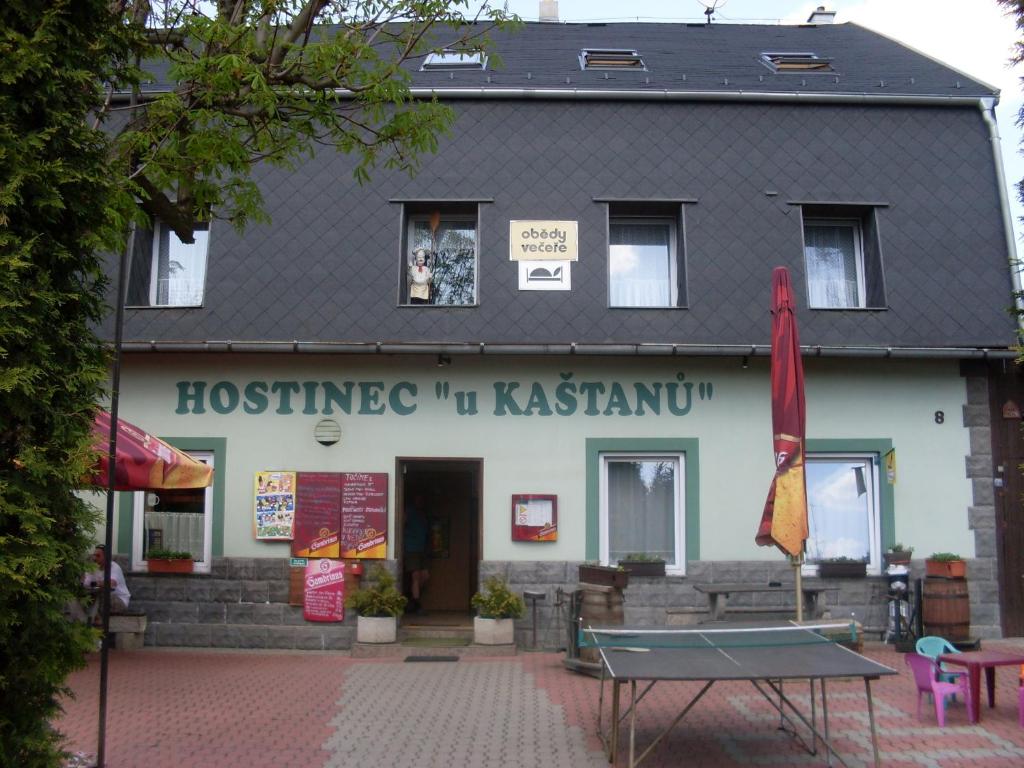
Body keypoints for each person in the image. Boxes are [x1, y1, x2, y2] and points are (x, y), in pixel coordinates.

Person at [73, 544, 131, 623]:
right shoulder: (92, 567)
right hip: (100, 599)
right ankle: (84, 621)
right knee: (79, 595)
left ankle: (96, 623)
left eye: (98, 556)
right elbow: (85, 584)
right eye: (94, 555)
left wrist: (95, 583)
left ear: (106, 557)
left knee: (103, 593)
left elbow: (110, 583)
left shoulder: (114, 567)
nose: (94, 558)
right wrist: (82, 580)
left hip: (119, 602)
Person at [403, 494, 430, 613]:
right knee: (416, 576)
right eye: (418, 499)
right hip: (411, 548)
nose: (421, 501)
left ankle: (411, 598)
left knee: (425, 576)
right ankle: (417, 605)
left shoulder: (423, 514)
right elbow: (401, 524)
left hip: (422, 549)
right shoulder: (409, 511)